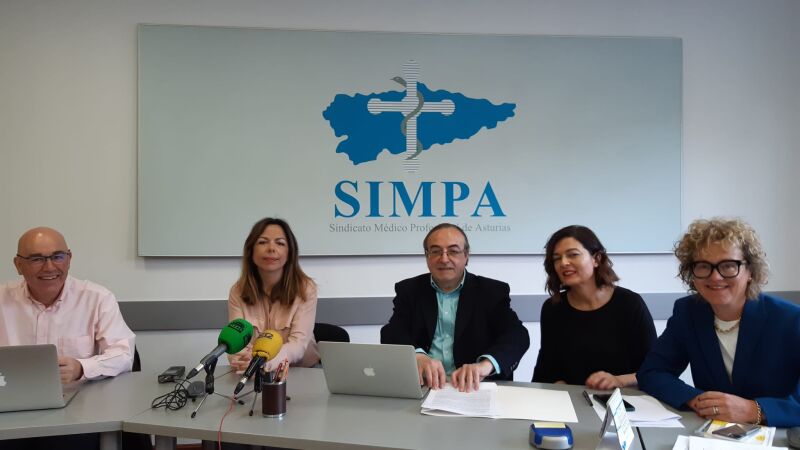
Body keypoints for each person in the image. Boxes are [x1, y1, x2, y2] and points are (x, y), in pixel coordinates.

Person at [637, 218, 800, 427]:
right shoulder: (688, 313)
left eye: (729, 265)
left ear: (750, 272)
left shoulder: (790, 320)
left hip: (779, 435)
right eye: (703, 266)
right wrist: (700, 401)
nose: (715, 277)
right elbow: (652, 372)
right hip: (710, 433)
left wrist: (755, 410)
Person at [0, 227, 135, 450]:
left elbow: (124, 354)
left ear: (69, 258)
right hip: (8, 413)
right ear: (18, 265)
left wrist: (82, 367)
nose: (49, 267)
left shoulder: (97, 298)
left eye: (57, 256)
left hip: (78, 414)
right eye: (37, 259)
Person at [380, 223, 530, 392]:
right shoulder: (410, 290)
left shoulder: (491, 292)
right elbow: (392, 331)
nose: (444, 259)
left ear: (466, 256)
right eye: (436, 251)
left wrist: (485, 365)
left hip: (473, 388)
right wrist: (417, 355)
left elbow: (517, 335)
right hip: (425, 386)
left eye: (453, 251)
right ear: (427, 257)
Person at [532, 225, 657, 389]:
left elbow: (655, 369)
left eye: (573, 255)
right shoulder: (553, 308)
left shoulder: (629, 303)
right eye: (557, 258)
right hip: (569, 400)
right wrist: (556, 386)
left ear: (596, 259)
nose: (563, 263)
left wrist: (619, 381)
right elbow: (546, 370)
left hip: (624, 398)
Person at [227, 217, 319, 372]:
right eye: (263, 242)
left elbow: (297, 345)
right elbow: (236, 341)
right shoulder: (238, 291)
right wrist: (243, 360)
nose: (271, 248)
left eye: (280, 243)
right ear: (251, 250)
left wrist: (262, 363)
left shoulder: (306, 289)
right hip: (251, 372)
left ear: (290, 252)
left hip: (301, 371)